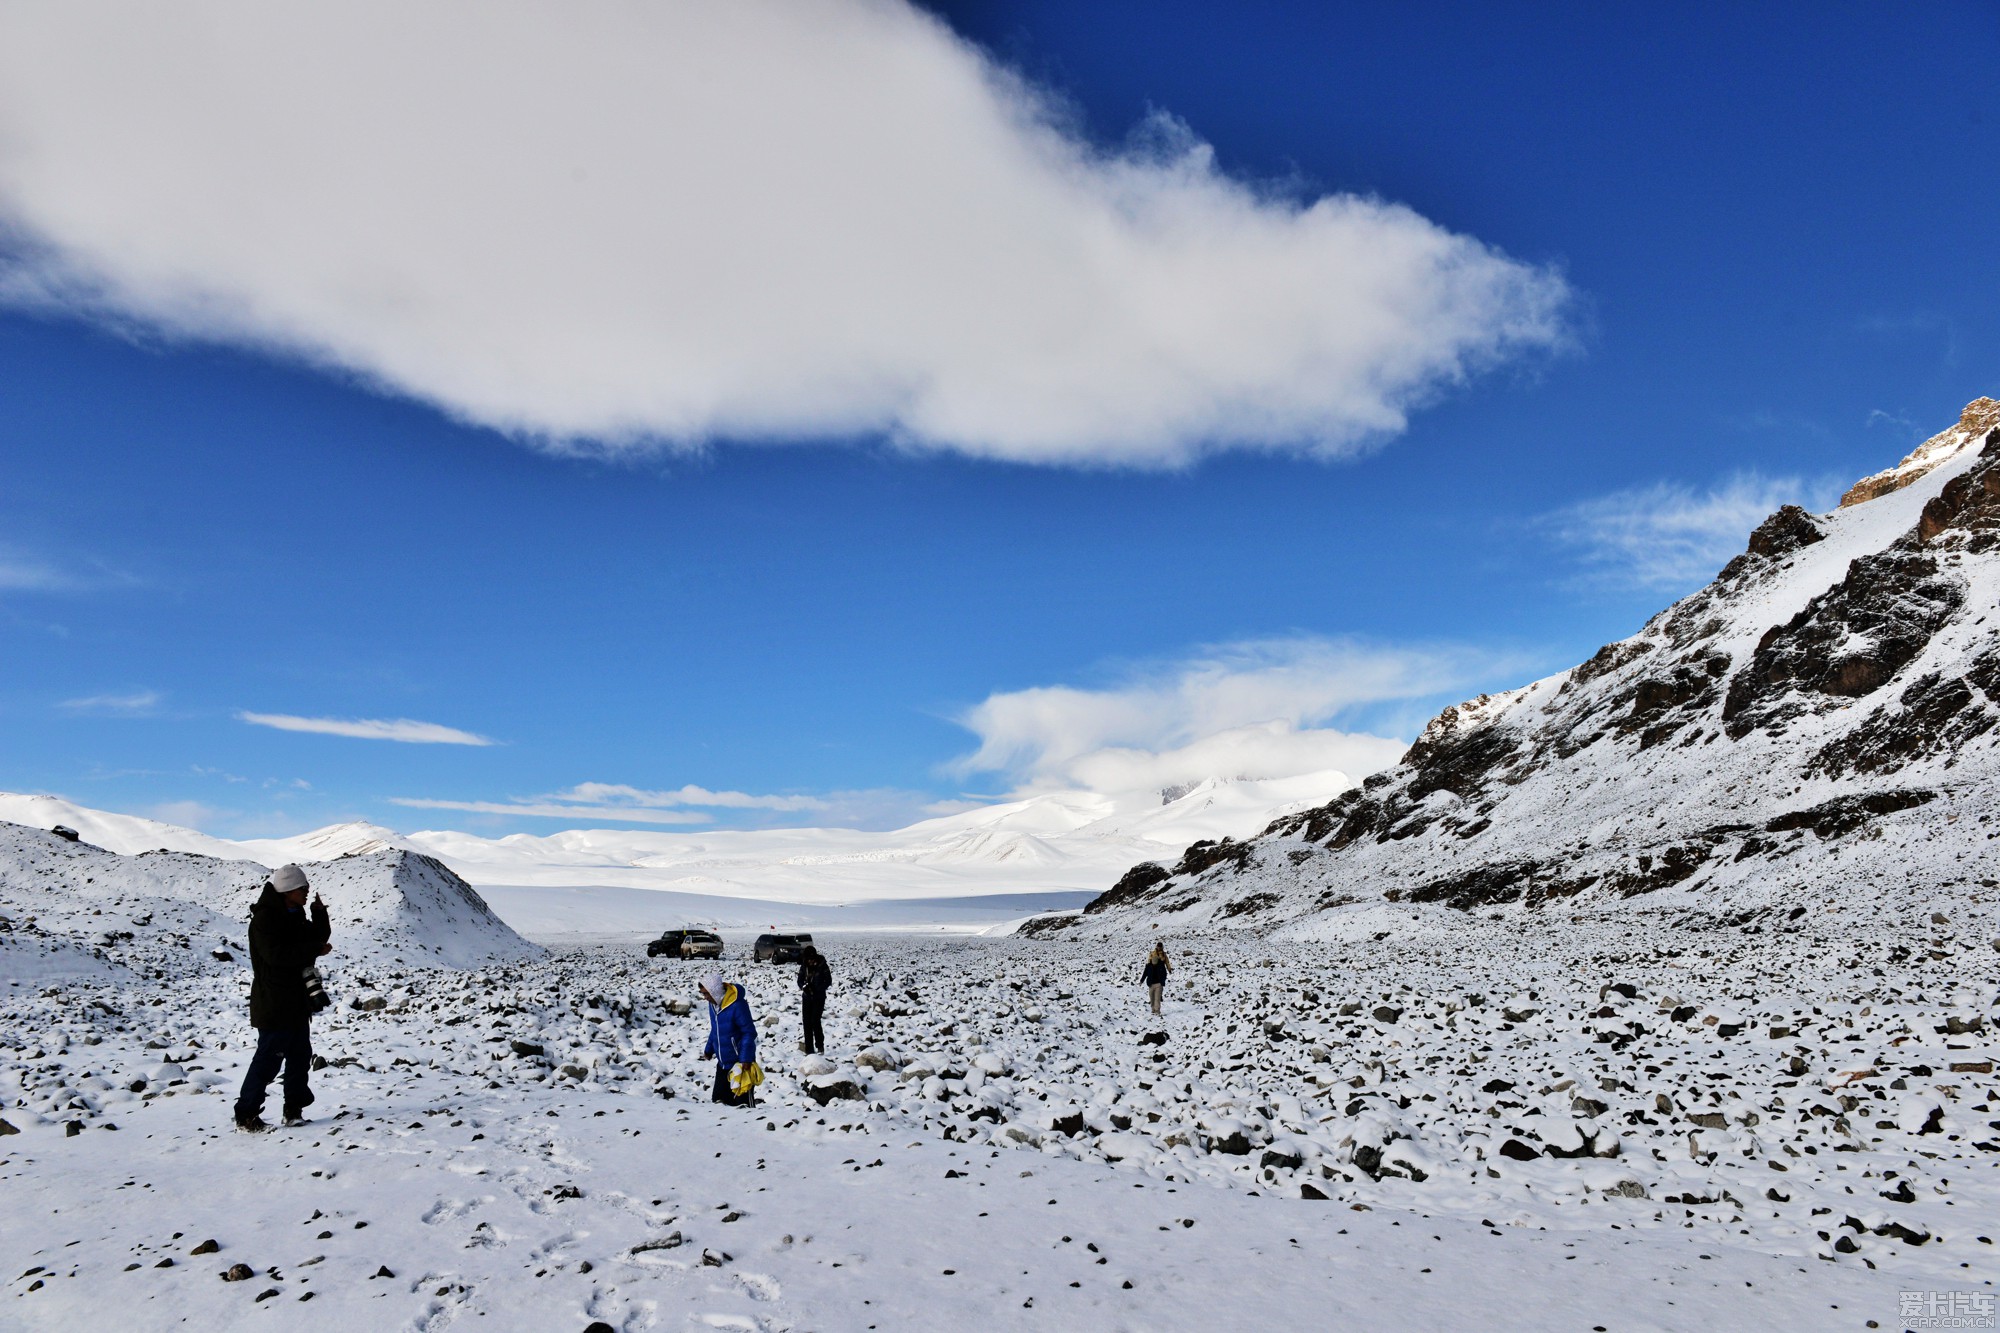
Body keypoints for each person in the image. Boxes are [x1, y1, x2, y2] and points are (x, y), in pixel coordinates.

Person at [233, 863, 332, 1132]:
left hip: (296, 1001)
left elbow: (316, 938)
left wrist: (319, 914)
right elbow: (277, 956)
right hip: (274, 1002)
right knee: (268, 1060)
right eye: (302, 888)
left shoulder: (295, 914)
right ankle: (246, 1115)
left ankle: (293, 1111)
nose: (306, 892)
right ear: (288, 889)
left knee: (300, 1057)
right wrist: (314, 948)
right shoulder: (265, 919)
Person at [699, 972, 760, 1107]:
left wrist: (745, 1058)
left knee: (743, 1106)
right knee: (719, 1102)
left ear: (714, 990)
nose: (705, 997)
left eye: (706, 993)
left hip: (740, 1065)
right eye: (703, 994)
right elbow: (716, 1030)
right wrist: (709, 1049)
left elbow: (749, 1033)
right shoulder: (713, 1005)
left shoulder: (737, 1005)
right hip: (723, 1064)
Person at [796, 945, 832, 1054]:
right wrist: (804, 987)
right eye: (808, 959)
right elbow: (799, 980)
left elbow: (828, 980)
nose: (810, 961)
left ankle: (820, 1045)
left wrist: (817, 989)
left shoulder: (822, 965)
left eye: (811, 959)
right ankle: (809, 1049)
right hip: (807, 998)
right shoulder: (804, 966)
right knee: (806, 1023)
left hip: (819, 998)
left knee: (815, 1021)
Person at [1140, 942, 1171, 1016]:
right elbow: (1146, 971)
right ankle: (1153, 1009)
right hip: (1151, 982)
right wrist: (1149, 967)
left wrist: (1169, 969)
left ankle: (1157, 1011)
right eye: (1158, 947)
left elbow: (1167, 962)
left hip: (1159, 980)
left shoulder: (1163, 955)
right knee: (1152, 998)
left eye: (1160, 947)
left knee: (1157, 998)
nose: (1159, 948)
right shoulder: (1153, 954)